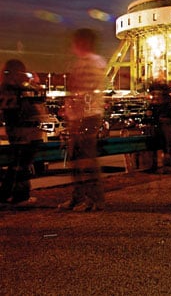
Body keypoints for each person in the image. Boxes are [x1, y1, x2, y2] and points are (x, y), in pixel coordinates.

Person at [58, 28, 108, 212]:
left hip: (86, 117)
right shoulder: (86, 63)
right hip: (81, 117)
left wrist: (73, 109)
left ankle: (93, 199)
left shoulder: (91, 63)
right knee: (76, 158)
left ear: (82, 43)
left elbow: (83, 92)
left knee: (85, 159)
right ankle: (80, 196)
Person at [0, 59, 46, 206]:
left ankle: (10, 195)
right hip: (28, 132)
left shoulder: (4, 90)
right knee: (22, 165)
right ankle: (18, 196)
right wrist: (35, 83)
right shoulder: (24, 89)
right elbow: (39, 101)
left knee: (17, 165)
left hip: (14, 132)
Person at [146, 77, 171, 173]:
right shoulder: (161, 103)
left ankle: (164, 165)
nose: (155, 96)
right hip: (162, 127)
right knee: (166, 145)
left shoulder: (164, 104)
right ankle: (164, 164)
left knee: (166, 144)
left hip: (164, 127)